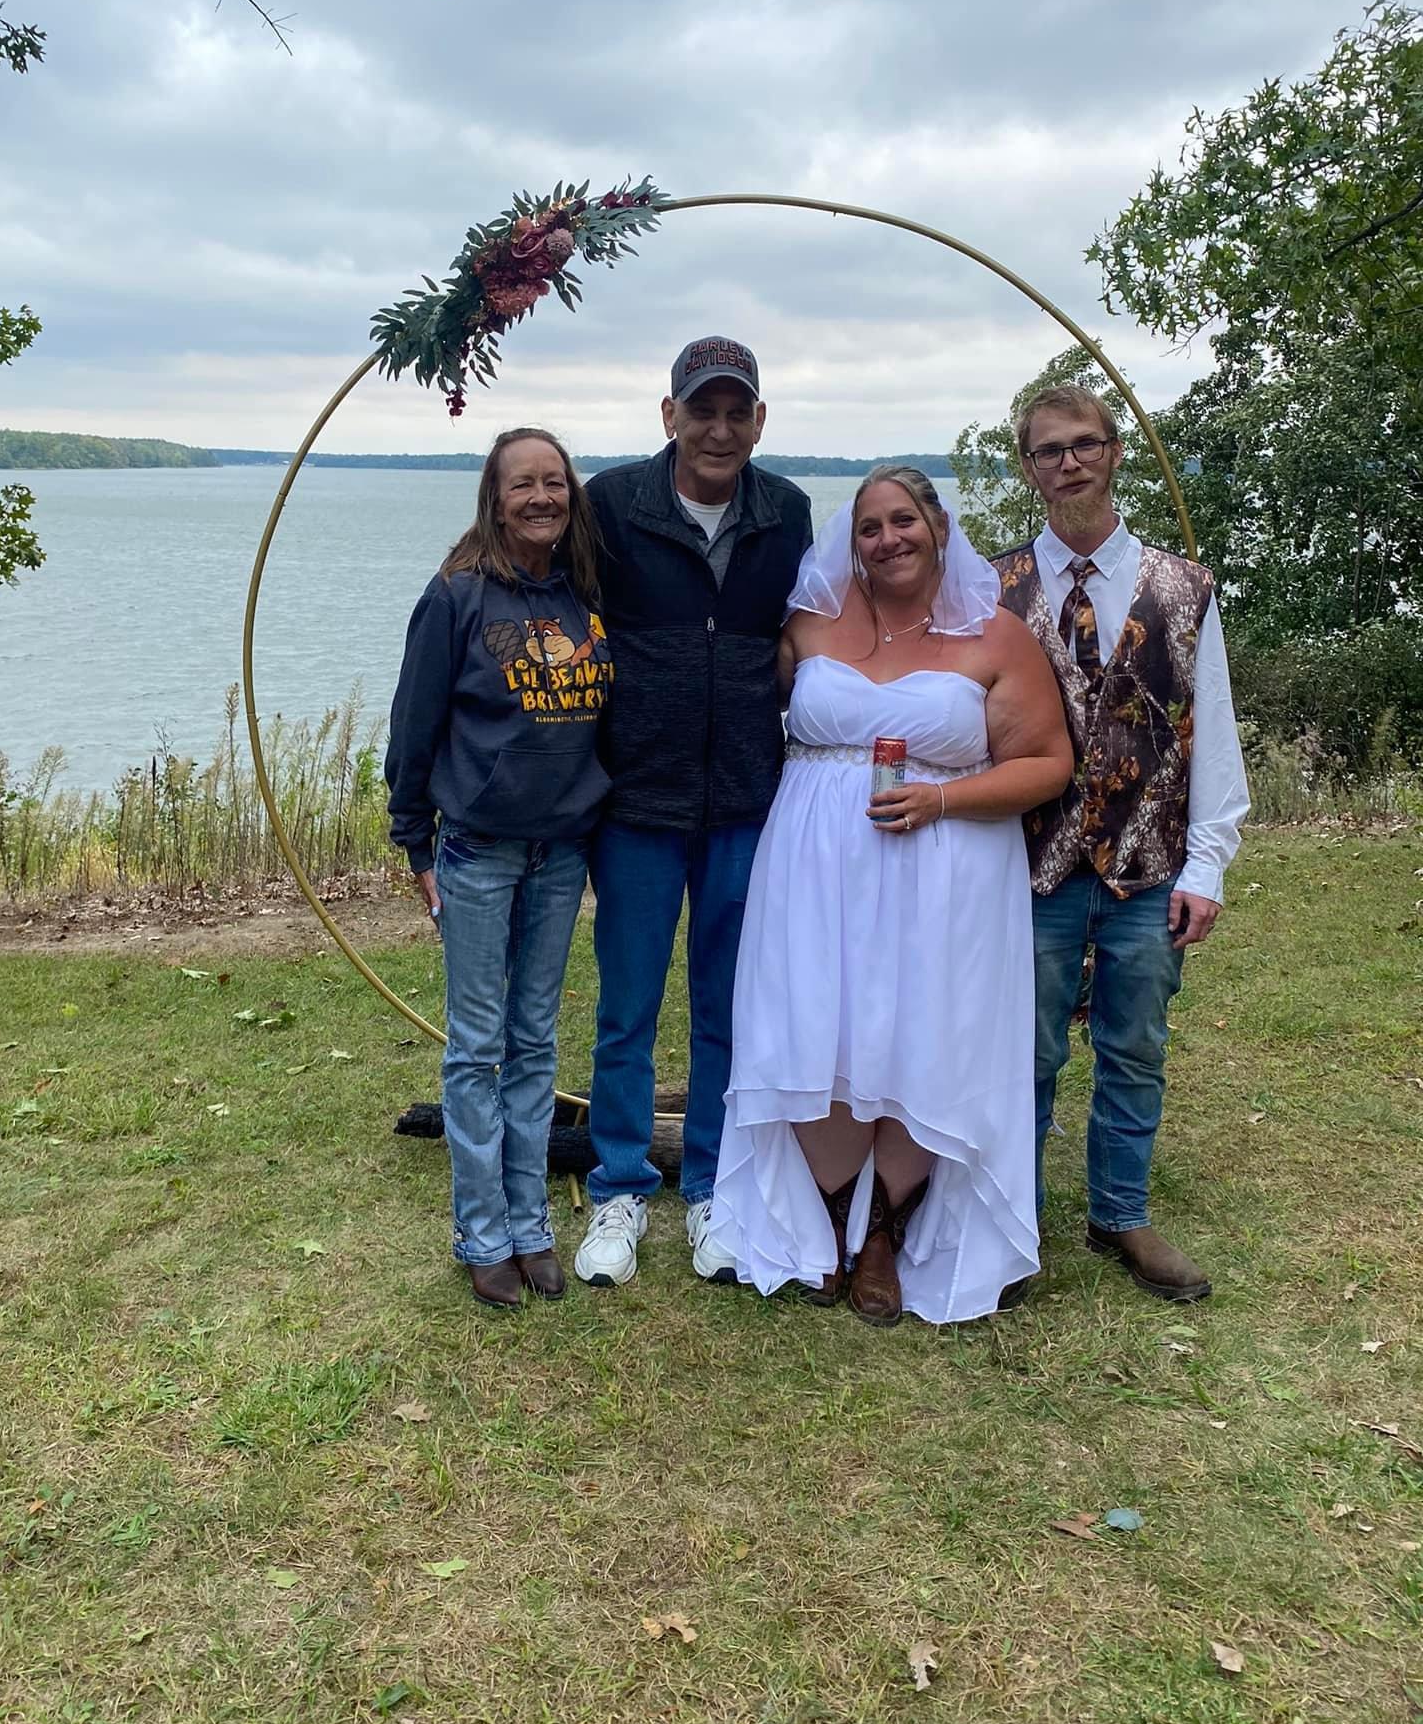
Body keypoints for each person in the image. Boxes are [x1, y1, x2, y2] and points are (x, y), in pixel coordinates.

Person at [710, 467, 1074, 1325]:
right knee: (818, 1022)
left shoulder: (999, 635)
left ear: (938, 525)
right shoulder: (810, 623)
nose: (887, 540)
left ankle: (884, 1232)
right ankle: (828, 1217)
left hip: (947, 870)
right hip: (813, 866)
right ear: (851, 539)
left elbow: (1048, 763)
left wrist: (941, 797)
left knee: (924, 1034)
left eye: (903, 521)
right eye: (869, 527)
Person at [994, 383, 1250, 1303]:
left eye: (1083, 444)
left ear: (1113, 451)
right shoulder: (993, 586)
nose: (1067, 462)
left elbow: (1210, 730)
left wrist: (1209, 865)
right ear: (1027, 467)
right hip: (1029, 867)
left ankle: (1121, 1214)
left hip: (1150, 864)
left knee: (1135, 1046)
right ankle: (1009, 1223)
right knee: (1023, 1053)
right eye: (1048, 449)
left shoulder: (1183, 585)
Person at [572, 336, 813, 1287]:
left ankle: (712, 1184)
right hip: (635, 798)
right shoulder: (610, 504)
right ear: (668, 415)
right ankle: (619, 1186)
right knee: (627, 1005)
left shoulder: (786, 512)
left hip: (748, 800)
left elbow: (820, 622)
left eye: (736, 410)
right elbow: (555, 606)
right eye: (700, 409)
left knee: (729, 1004)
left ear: (759, 420)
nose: (719, 428)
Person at [384, 427, 613, 1311]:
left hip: (564, 852)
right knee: (476, 1045)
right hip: (479, 849)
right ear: (495, 494)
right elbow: (414, 722)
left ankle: (531, 1225)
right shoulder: (458, 596)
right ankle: (482, 1233)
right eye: (524, 484)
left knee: (535, 1041)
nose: (542, 497)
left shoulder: (583, 595)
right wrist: (413, 839)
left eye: (555, 482)